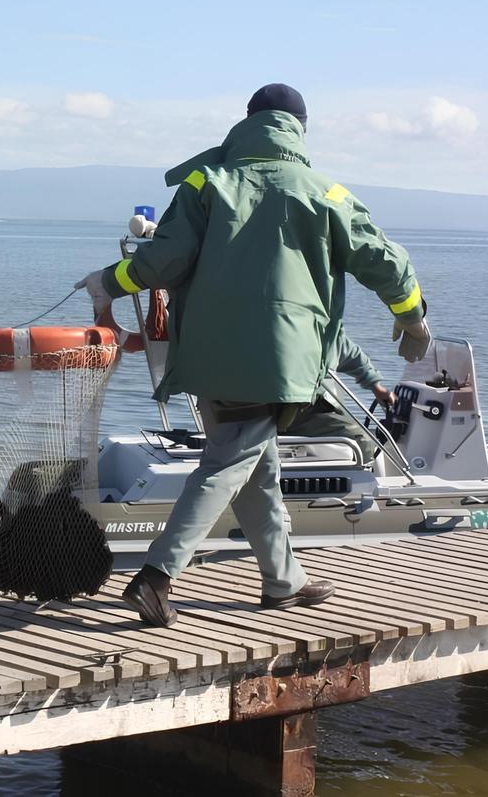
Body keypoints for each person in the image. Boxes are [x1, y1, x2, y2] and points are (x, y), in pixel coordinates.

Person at [77, 83, 430, 628]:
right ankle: (156, 577)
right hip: (275, 360)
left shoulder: (206, 181)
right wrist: (411, 319)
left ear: (248, 122)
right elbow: (385, 262)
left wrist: (110, 281)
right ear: (299, 129)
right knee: (228, 463)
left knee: (253, 465)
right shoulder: (324, 192)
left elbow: (163, 259)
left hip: (206, 354)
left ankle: (282, 580)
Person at [284, 325, 395, 463]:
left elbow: (343, 348)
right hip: (279, 409)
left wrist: (376, 386)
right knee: (362, 442)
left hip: (309, 409)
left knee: (364, 442)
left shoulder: (319, 325)